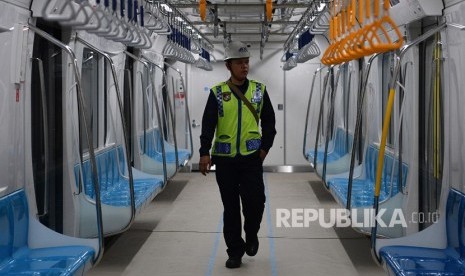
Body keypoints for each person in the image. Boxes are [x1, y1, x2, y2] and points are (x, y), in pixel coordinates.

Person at [199, 41, 277, 269]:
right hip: (224, 161)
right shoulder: (217, 93)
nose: (244, 67)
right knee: (231, 207)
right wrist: (204, 153)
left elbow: (270, 122)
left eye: (246, 62)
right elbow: (208, 125)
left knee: (256, 202)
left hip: (252, 158)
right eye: (239, 63)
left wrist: (265, 148)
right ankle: (235, 251)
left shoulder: (259, 91)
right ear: (228, 66)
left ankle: (251, 234)